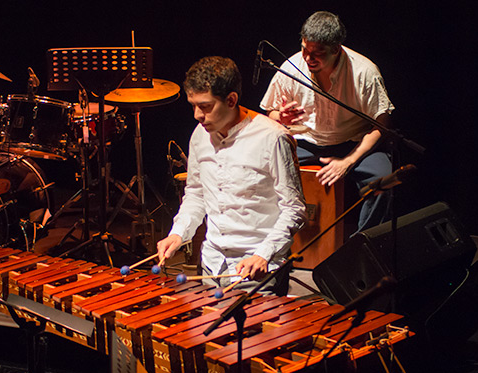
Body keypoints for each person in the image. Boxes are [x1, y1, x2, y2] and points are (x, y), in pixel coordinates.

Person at [157, 56, 306, 295]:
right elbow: (196, 194)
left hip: (257, 268)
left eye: (205, 106)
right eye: (193, 105)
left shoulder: (273, 137)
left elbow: (294, 209)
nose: (197, 114)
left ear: (231, 100)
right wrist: (178, 233)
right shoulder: (199, 135)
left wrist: (263, 254)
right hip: (212, 264)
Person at [260, 11, 395, 232]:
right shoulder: (292, 66)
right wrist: (281, 117)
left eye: (317, 53)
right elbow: (270, 113)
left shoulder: (364, 72)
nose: (308, 58)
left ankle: (361, 252)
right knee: (261, 173)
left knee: (384, 182)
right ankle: (274, 244)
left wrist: (349, 161)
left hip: (354, 143)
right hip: (305, 142)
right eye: (305, 49)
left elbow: (382, 124)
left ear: (336, 49)